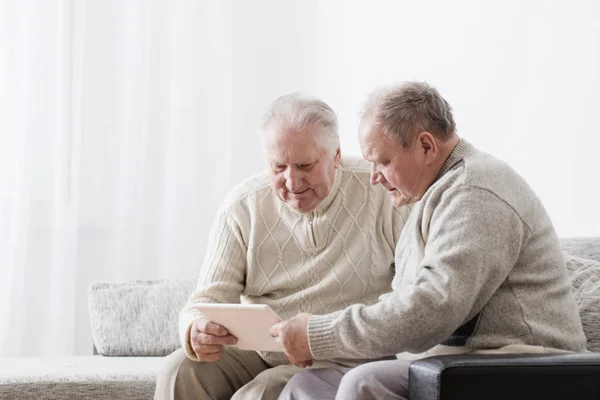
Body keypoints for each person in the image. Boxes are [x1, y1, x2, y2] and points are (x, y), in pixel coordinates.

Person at [272, 81, 587, 400]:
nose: (374, 176)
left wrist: (319, 334)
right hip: (452, 366)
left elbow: (429, 312)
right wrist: (319, 340)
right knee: (308, 385)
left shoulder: (473, 193)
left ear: (426, 146)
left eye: (382, 161)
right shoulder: (435, 196)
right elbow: (404, 304)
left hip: (523, 367)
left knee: (365, 383)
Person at [153, 93, 412, 400]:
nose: (292, 181)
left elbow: (413, 295)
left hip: (339, 356)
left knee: (263, 391)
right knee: (180, 369)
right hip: (259, 351)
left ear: (336, 155)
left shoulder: (383, 194)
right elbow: (204, 300)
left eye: (305, 165)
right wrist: (195, 329)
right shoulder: (243, 206)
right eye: (279, 167)